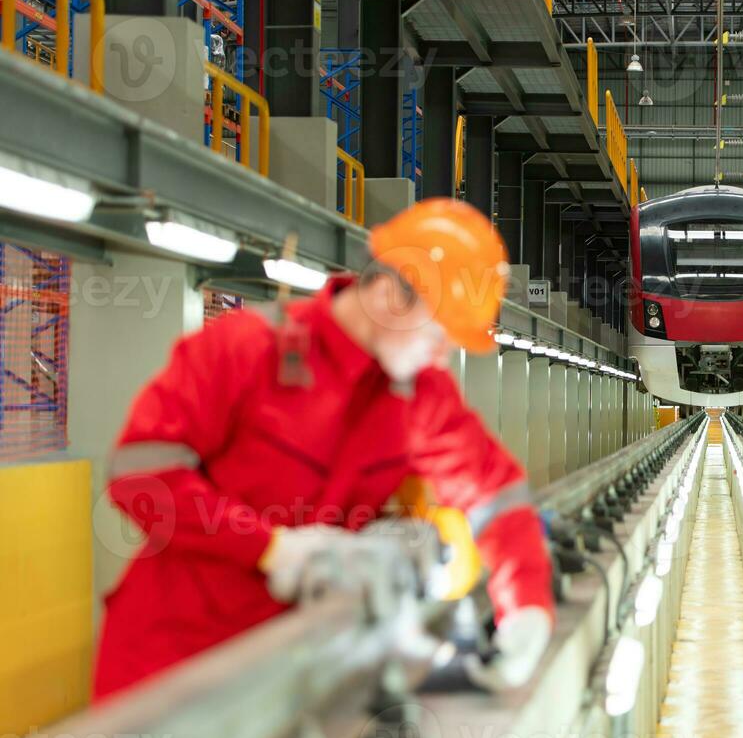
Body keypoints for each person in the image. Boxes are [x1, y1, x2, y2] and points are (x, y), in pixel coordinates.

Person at [93, 199, 554, 699]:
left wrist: (526, 603)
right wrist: (270, 548)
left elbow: (494, 494)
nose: (442, 353)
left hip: (294, 672)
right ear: (387, 296)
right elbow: (140, 476)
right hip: (172, 664)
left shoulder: (419, 394)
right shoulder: (248, 349)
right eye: (439, 332)